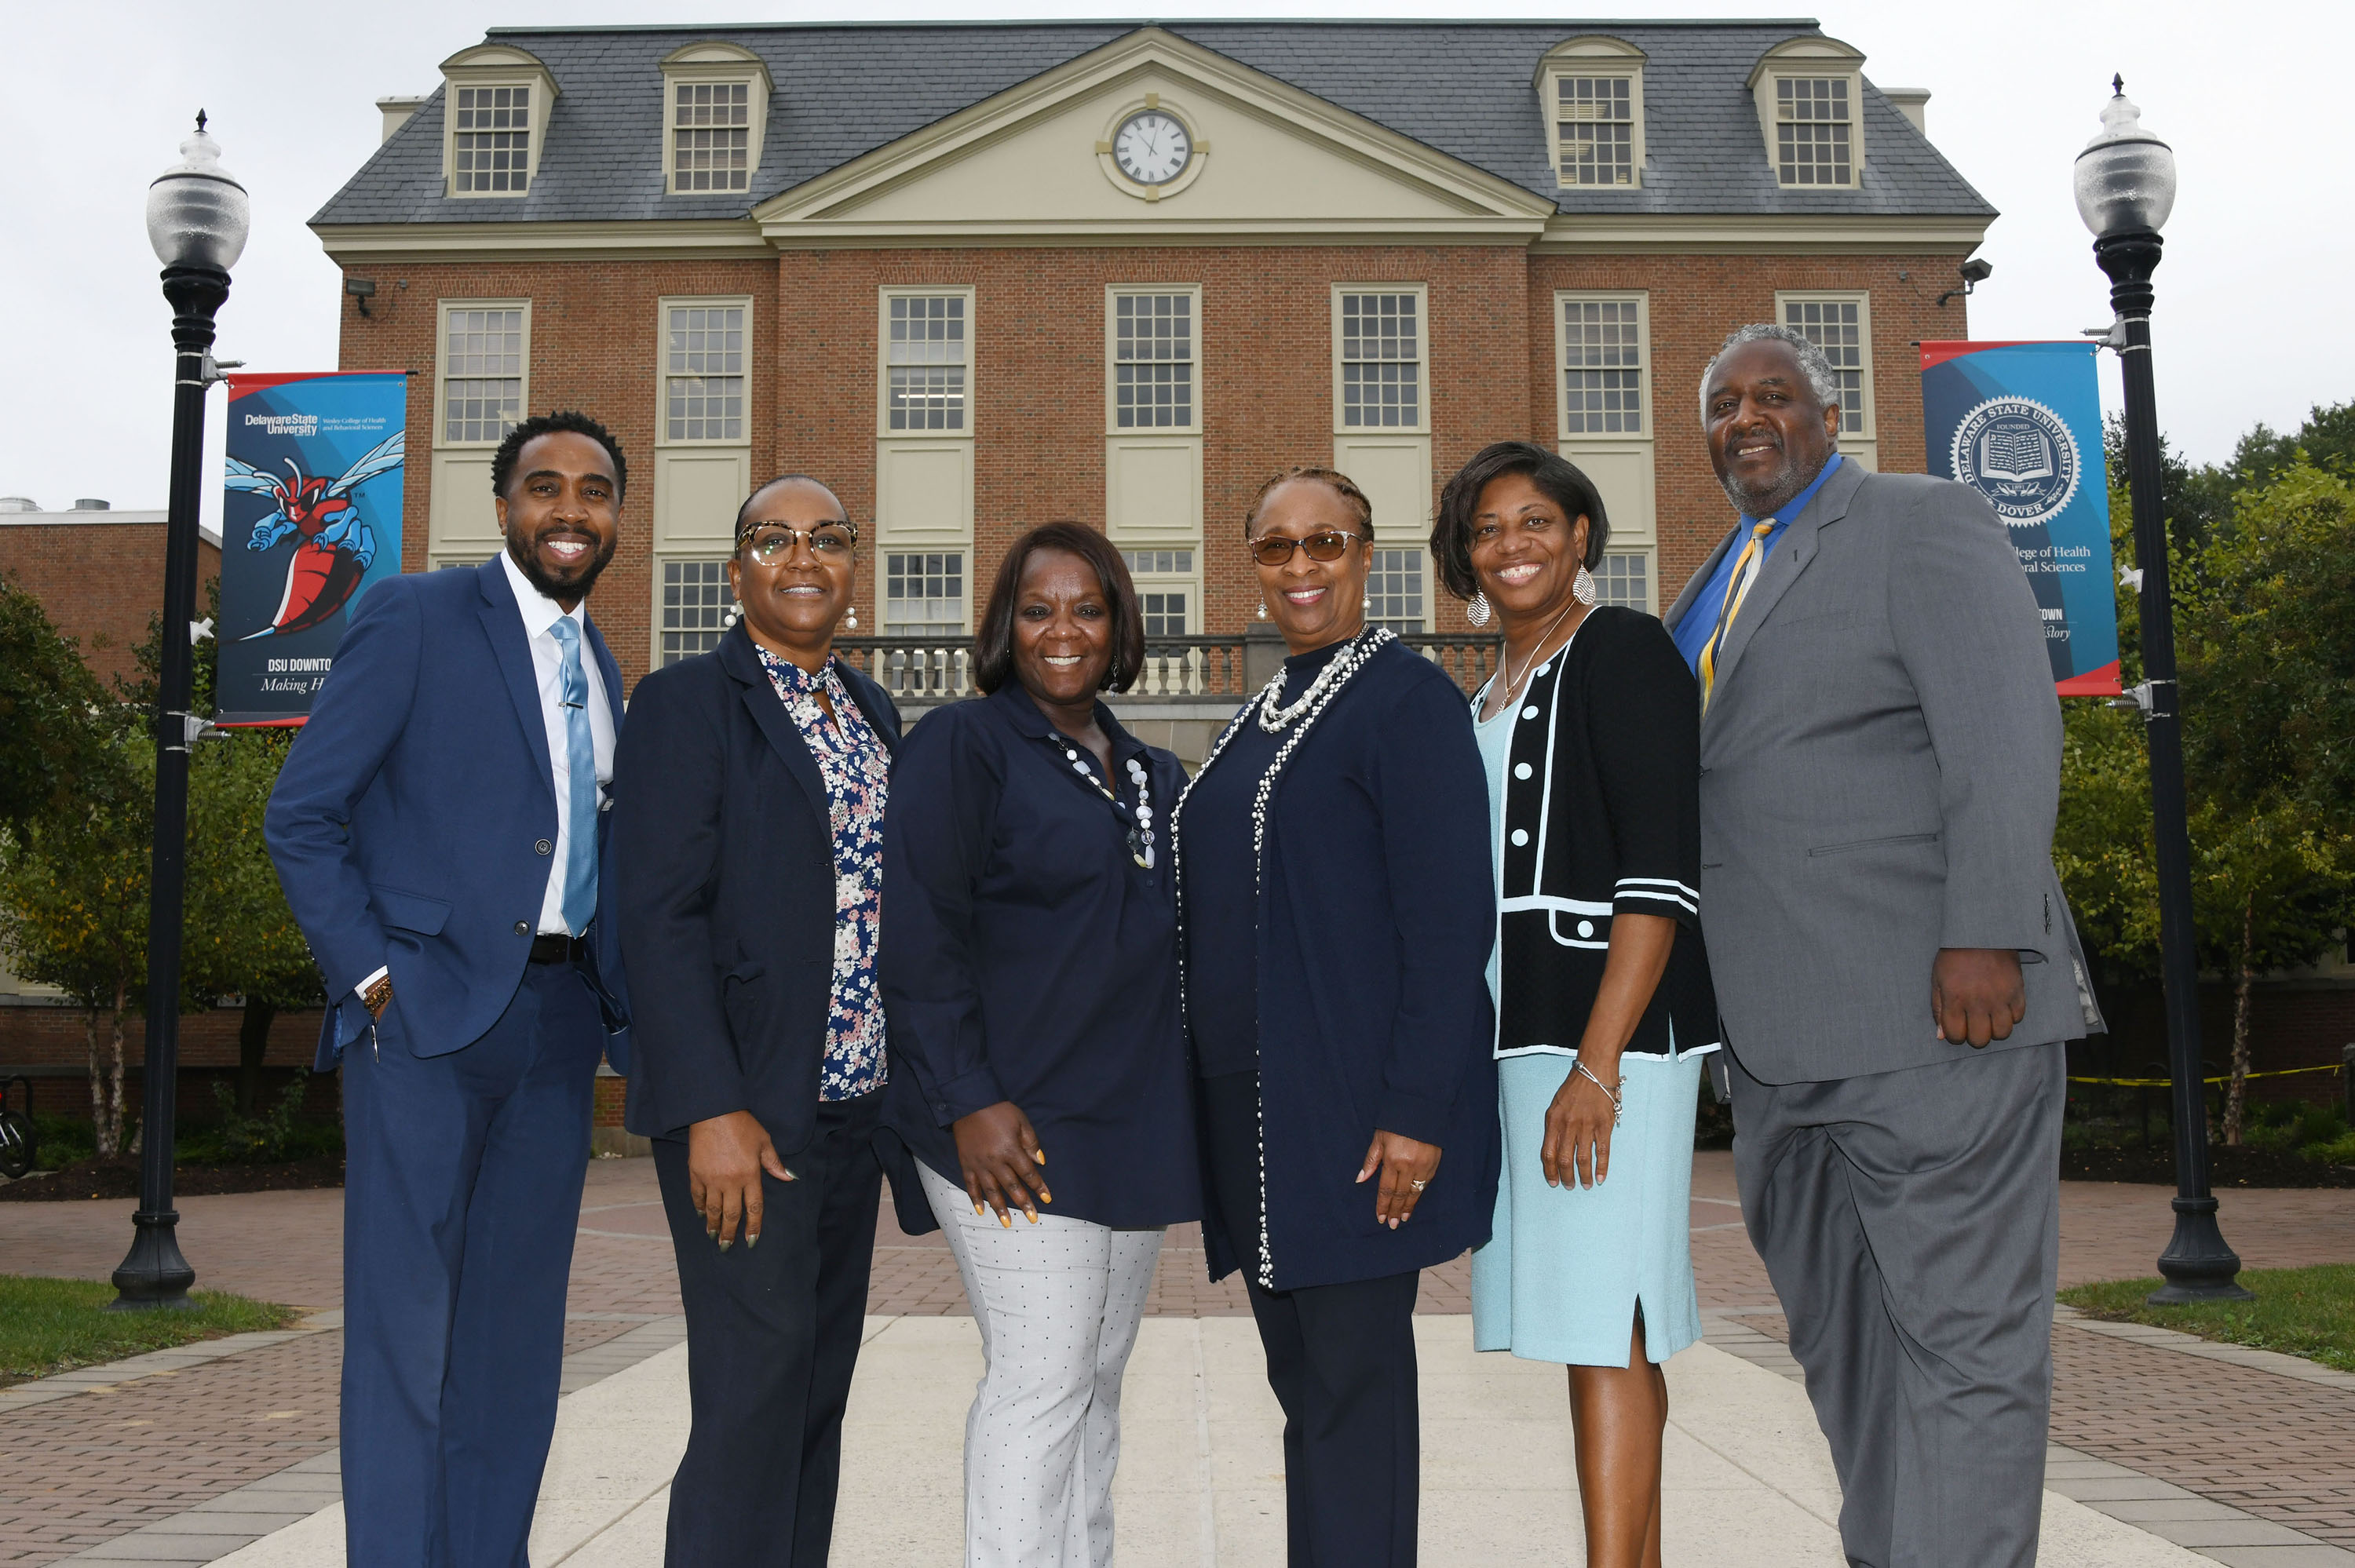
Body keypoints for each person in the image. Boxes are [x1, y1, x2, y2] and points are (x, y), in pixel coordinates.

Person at [1664, 324, 2103, 1568]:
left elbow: (2006, 737)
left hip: (1937, 1022)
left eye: (1774, 393)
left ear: (1830, 412)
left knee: (1966, 1346)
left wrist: (1987, 932)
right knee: (1846, 1347)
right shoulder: (1713, 580)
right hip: (1775, 1052)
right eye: (1721, 401)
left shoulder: (1925, 521)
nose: (1746, 417)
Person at [265, 410, 632, 1567]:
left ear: (618, 514)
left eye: (594, 491)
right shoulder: (416, 615)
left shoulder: (605, 663)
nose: (570, 510)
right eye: (545, 487)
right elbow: (303, 813)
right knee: (404, 1339)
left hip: (560, 1030)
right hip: (425, 1026)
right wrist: (374, 979)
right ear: (505, 506)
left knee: (514, 1347)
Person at [1170, 468, 1495, 1568]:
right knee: (1308, 1396)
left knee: (1352, 1400)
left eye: (1327, 542)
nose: (1301, 567)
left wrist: (1415, 1110)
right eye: (1276, 547)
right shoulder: (1265, 709)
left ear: (1367, 554)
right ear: (1251, 563)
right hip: (1261, 1125)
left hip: (1357, 1123)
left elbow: (1451, 924)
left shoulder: (1406, 698)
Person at [881, 522, 1197, 1568]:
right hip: (1004, 1123)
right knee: (1043, 1379)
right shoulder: (960, 746)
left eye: (1087, 607)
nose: (1063, 629)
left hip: (1125, 1130)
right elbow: (917, 934)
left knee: (1095, 1382)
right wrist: (968, 1093)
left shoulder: (1151, 771)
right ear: (1003, 628)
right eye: (1036, 608)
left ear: (1121, 624)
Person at [613, 476, 916, 1566]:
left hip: (851, 1111)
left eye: (828, 538)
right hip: (747, 1113)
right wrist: (711, 1106)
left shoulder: (871, 710)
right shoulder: (687, 703)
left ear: (853, 566)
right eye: (774, 538)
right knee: (750, 1397)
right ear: (736, 568)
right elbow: (655, 915)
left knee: (812, 1392)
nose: (803, 557)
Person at [1432, 441, 1717, 1568]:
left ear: (1582, 535)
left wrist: (1595, 1067)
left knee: (1612, 1317)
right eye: (1490, 529)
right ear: (1465, 558)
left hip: (1613, 1041)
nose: (1514, 545)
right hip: (1518, 1035)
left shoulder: (1627, 649)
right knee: (1590, 1328)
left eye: (1536, 521)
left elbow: (1660, 873)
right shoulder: (1486, 689)